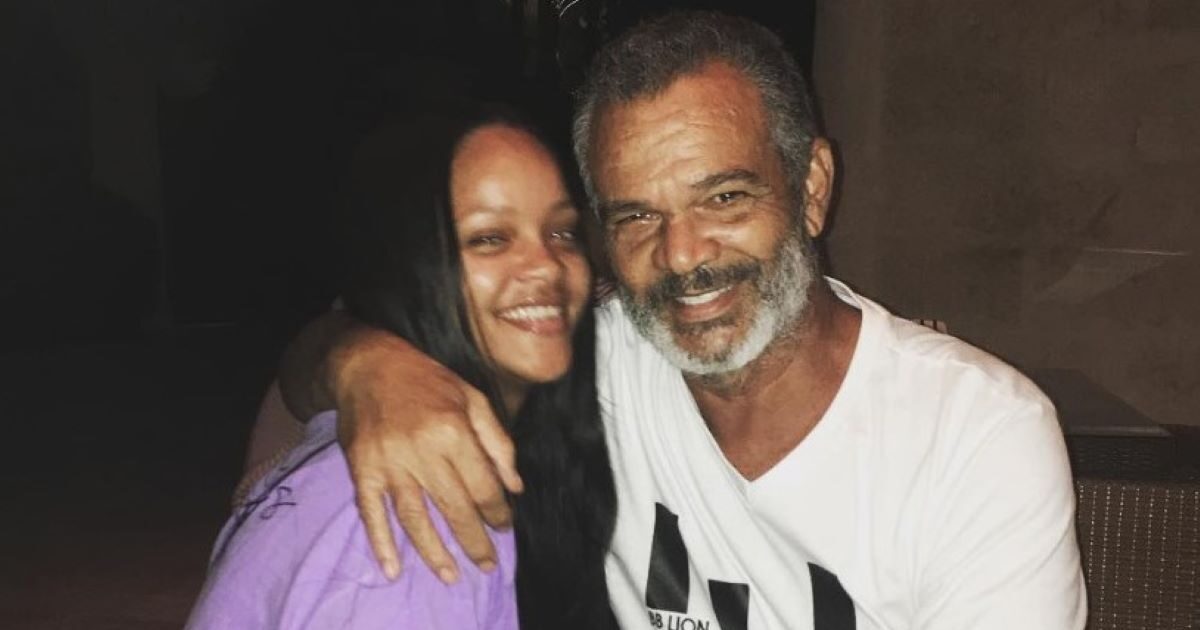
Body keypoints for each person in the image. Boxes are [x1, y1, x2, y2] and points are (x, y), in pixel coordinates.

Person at [266, 11, 1087, 630]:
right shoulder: (594, 356)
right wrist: (366, 365)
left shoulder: (976, 437)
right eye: (636, 216)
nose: (683, 255)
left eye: (723, 197)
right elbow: (301, 372)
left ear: (810, 189)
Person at [187, 109, 617, 629]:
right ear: (411, 261)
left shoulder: (544, 417)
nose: (547, 263)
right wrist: (361, 363)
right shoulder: (419, 510)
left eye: (563, 232)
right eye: (489, 238)